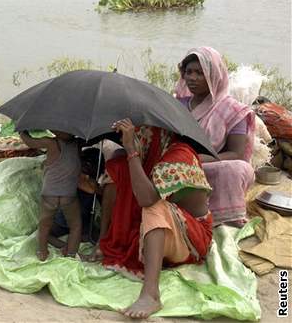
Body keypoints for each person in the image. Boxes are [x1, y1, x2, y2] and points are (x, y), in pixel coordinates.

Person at [84, 121, 213, 319]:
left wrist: (132, 151)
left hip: (193, 237)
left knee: (153, 206)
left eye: (141, 133)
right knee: (118, 168)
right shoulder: (154, 153)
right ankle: (104, 240)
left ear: (158, 135)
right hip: (164, 229)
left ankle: (151, 293)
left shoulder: (180, 155)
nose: (137, 137)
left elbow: (146, 199)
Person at [175, 47, 256, 226]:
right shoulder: (177, 104)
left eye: (199, 73)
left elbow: (237, 153)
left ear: (214, 76)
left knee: (237, 169)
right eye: (188, 72)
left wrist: (200, 159)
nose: (192, 78)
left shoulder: (233, 110)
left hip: (211, 165)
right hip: (178, 162)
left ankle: (225, 218)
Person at [20, 129, 82, 261]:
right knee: (75, 225)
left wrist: (22, 131)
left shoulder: (51, 143)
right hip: (68, 194)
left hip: (50, 194)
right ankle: (71, 254)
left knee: (44, 224)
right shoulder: (78, 144)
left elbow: (30, 142)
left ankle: (42, 252)